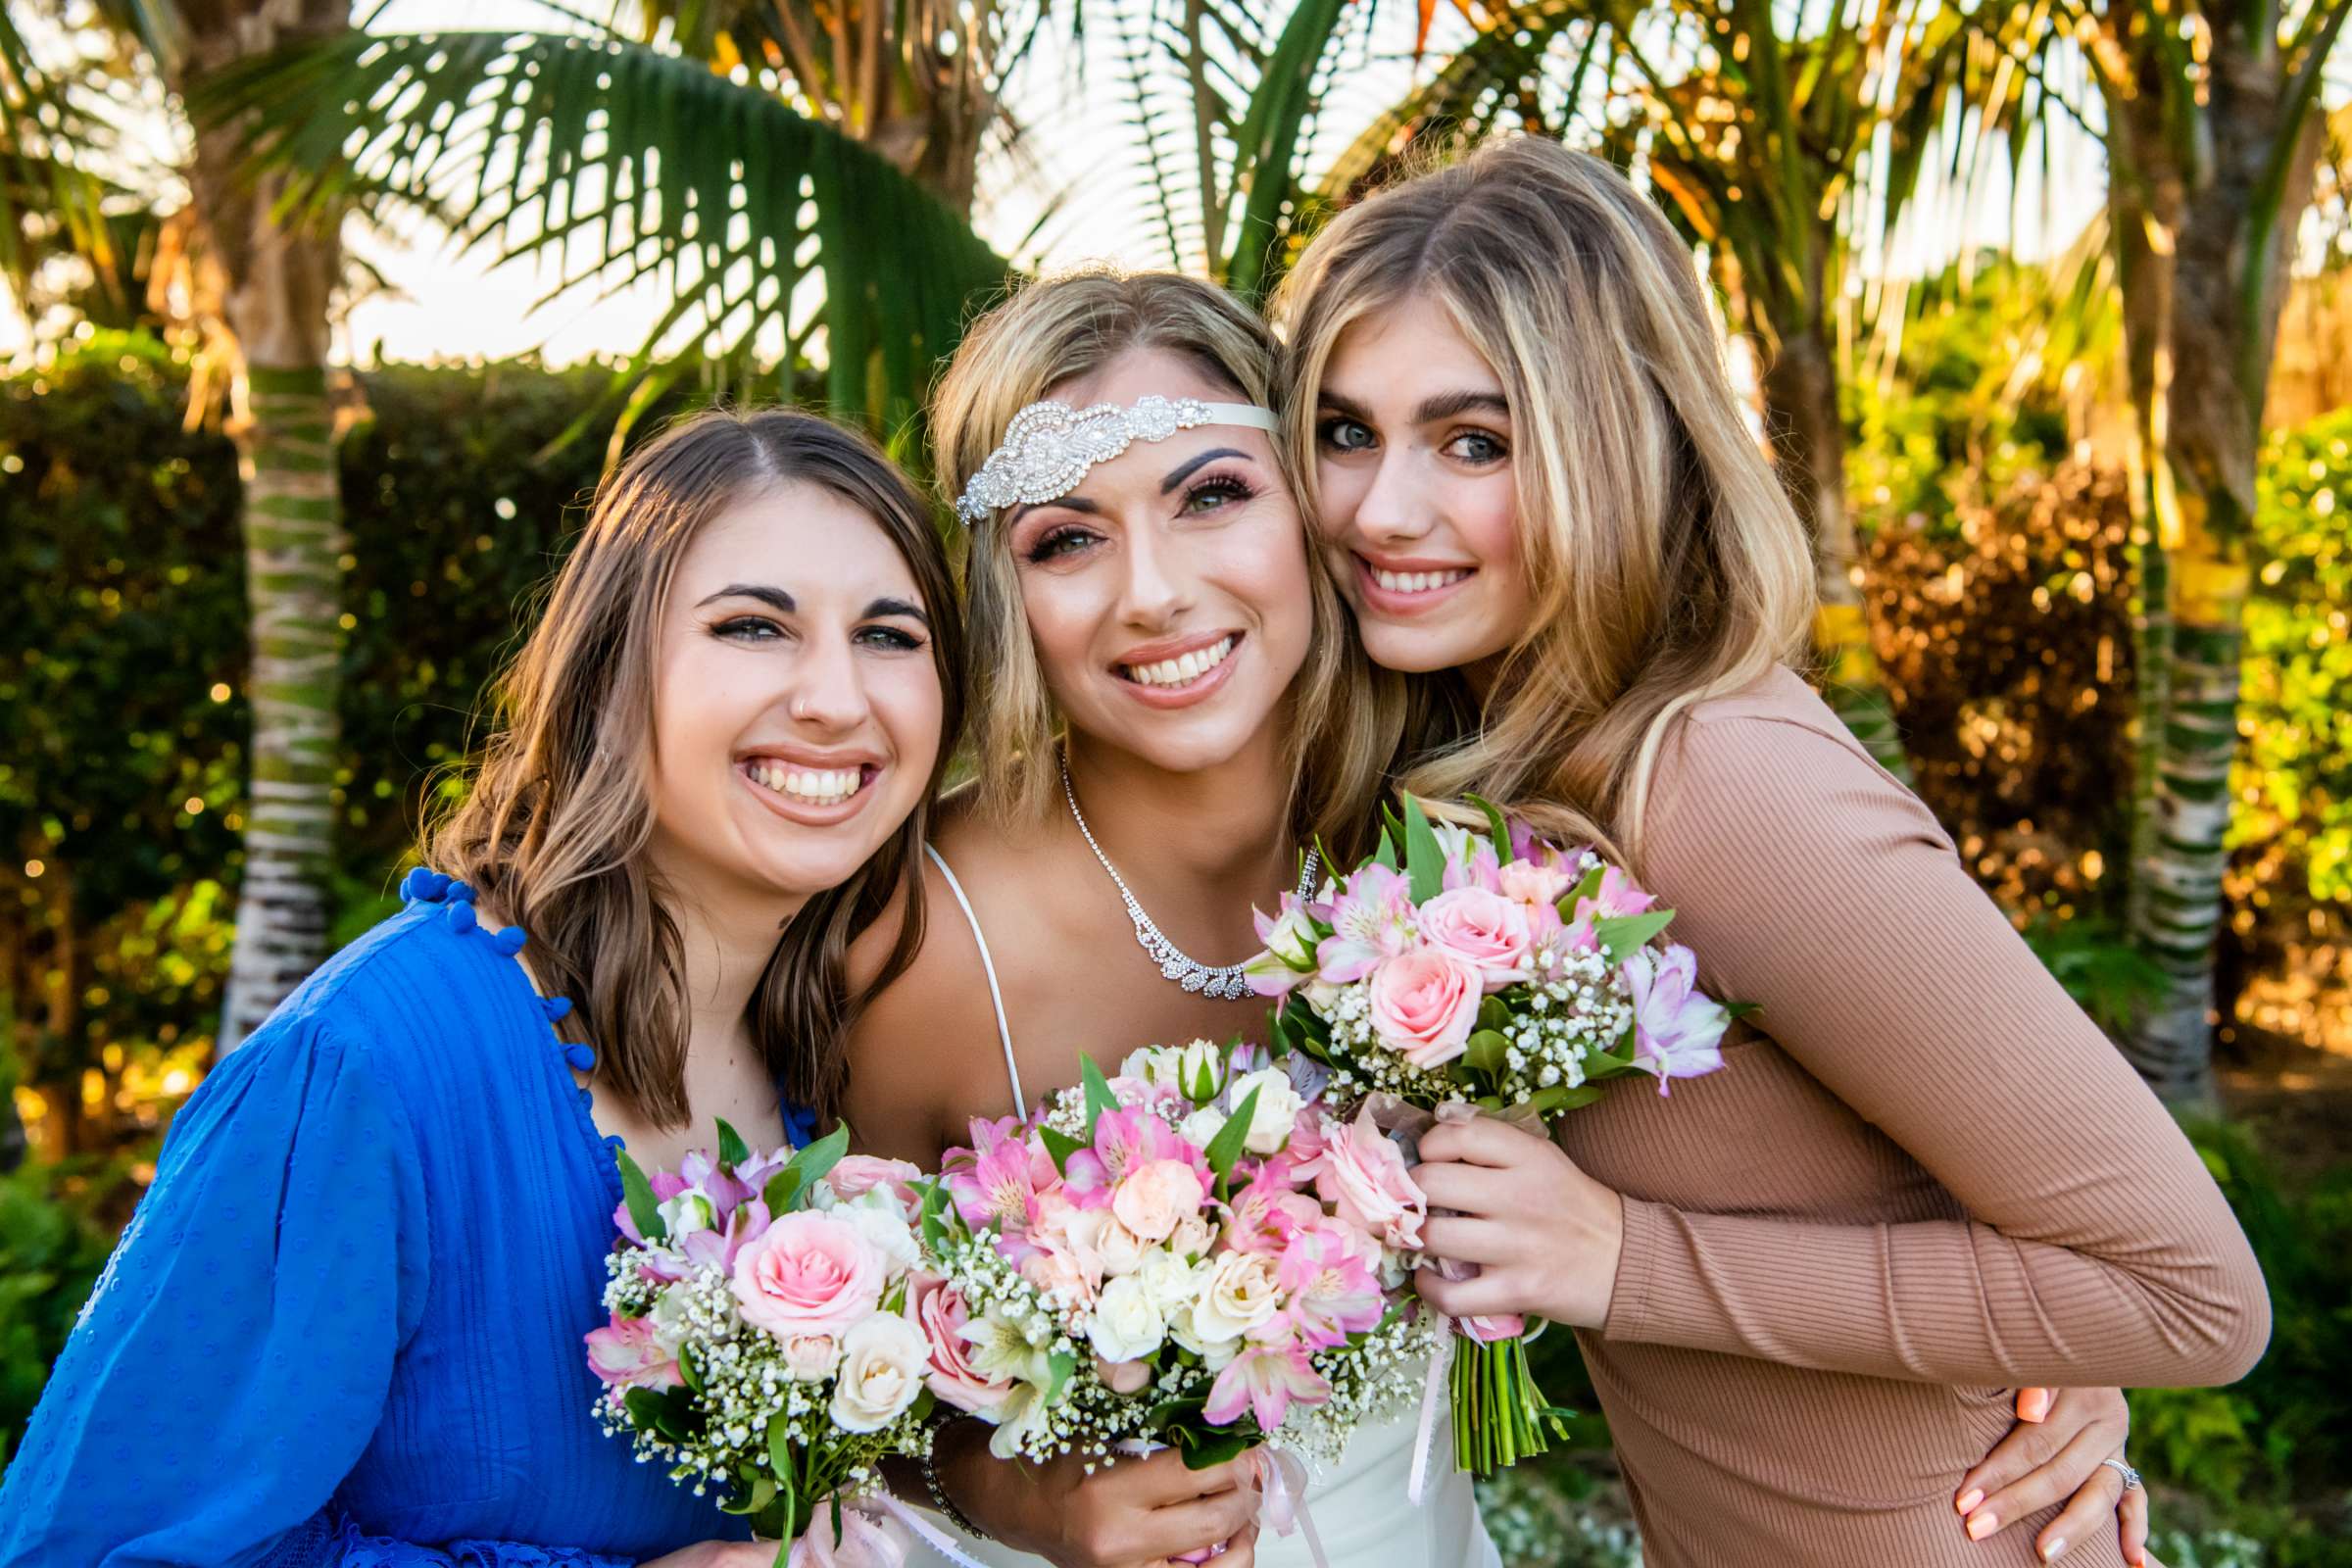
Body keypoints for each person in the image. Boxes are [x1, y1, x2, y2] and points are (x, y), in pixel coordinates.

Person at [1272, 135, 2271, 1567]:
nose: (1380, 511)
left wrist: (1626, 1261)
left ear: (1617, 442)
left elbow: (2189, 1294)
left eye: (1474, 441)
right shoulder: (1500, 774)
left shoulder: (1719, 781)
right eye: (1346, 432)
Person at [0, 408, 964, 1568]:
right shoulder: (368, 1067)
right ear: (611, 674)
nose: (832, 697)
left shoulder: (843, 1068)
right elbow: (91, 1547)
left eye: (889, 635)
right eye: (753, 626)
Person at [841, 270, 1473, 1568]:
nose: (1154, 595)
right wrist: (1020, 1496)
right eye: (1068, 540)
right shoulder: (923, 949)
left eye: (1212, 498)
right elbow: (847, 1386)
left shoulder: (1457, 840)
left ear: (1307, 507)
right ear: (1004, 597)